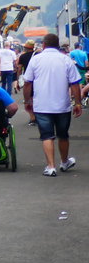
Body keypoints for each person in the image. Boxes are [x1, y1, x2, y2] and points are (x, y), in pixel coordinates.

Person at [21, 33, 82, 177]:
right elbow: (75, 84)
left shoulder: (36, 60)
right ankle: (64, 162)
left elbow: (27, 83)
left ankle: (51, 167)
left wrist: (27, 101)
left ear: (43, 45)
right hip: (62, 105)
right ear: (57, 44)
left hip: (42, 105)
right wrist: (78, 103)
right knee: (63, 135)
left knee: (47, 136)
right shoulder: (66, 59)